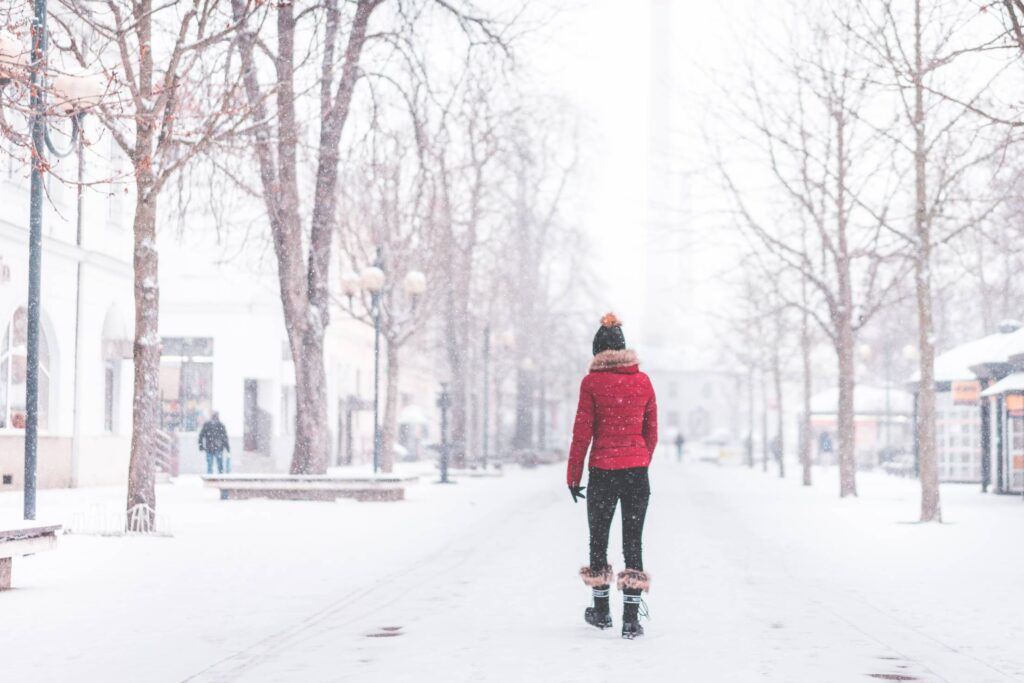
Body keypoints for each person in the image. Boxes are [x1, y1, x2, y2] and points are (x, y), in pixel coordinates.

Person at [567, 313, 657, 640]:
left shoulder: (591, 383)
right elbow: (652, 431)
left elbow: (582, 434)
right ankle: (631, 619)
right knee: (633, 542)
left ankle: (601, 611)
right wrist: (640, 460)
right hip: (636, 473)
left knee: (598, 539)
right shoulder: (643, 381)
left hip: (603, 471)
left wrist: (573, 476)